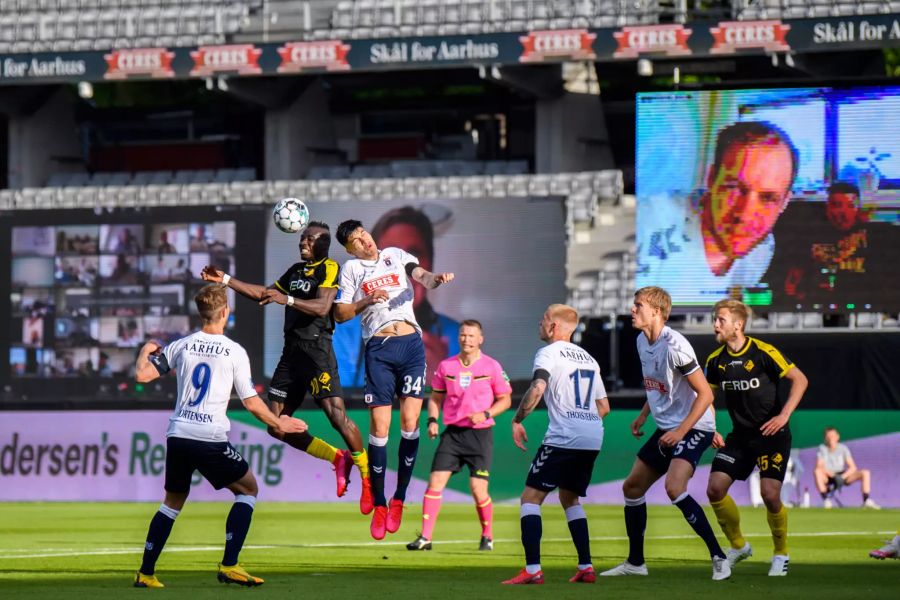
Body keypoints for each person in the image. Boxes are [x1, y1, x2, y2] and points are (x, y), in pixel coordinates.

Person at [132, 283, 307, 588]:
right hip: (209, 437)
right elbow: (252, 402)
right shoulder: (234, 352)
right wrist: (280, 424)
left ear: (201, 313)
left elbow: (142, 375)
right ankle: (230, 565)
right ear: (225, 312)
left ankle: (146, 572)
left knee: (172, 502)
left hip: (179, 434)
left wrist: (145, 351)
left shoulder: (182, 345)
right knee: (248, 490)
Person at [201, 221, 370, 512]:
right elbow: (264, 294)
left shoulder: (328, 268)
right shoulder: (294, 271)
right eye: (302, 239)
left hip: (317, 351)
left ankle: (367, 477)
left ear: (322, 244)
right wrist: (226, 280)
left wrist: (288, 299)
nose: (302, 243)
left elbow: (322, 308)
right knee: (276, 426)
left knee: (336, 417)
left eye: (308, 239)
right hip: (291, 355)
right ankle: (337, 458)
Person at [334, 219, 454, 540]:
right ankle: (380, 503)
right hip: (379, 348)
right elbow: (339, 313)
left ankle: (399, 497)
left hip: (411, 345)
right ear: (349, 249)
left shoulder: (394, 255)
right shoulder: (352, 270)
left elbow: (420, 275)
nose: (364, 241)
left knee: (411, 421)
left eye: (364, 235)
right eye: (356, 241)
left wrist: (434, 279)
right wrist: (364, 301)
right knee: (380, 427)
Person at [601, 286, 730, 581]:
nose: (632, 310)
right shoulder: (640, 341)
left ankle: (719, 556)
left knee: (674, 487)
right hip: (667, 427)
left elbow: (705, 396)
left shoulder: (675, 345)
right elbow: (658, 384)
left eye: (638, 305)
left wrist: (682, 431)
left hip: (694, 426)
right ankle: (635, 563)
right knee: (632, 488)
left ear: (657, 312)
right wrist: (644, 414)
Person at [501, 304, 609, 585]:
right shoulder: (589, 358)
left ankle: (533, 569)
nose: (540, 322)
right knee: (569, 497)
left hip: (564, 436)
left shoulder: (548, 353)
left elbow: (538, 388)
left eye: (544, 318)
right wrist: (583, 422)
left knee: (530, 499)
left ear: (554, 327)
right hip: (592, 436)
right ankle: (586, 566)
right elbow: (604, 406)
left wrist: (517, 419)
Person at [704, 299, 809, 577]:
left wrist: (784, 415)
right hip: (739, 437)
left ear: (738, 325)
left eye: (721, 320)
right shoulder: (715, 361)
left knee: (770, 495)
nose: (715, 324)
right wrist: (710, 426)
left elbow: (800, 380)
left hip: (771, 435)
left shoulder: (764, 352)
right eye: (715, 319)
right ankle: (739, 546)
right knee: (714, 488)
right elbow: (707, 397)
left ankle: (781, 553)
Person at [638, 121, 797, 303]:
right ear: (711, 179)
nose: (745, 215)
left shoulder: (762, 248)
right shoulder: (646, 225)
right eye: (734, 188)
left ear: (785, 202)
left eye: (768, 198)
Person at [406, 319, 512, 552]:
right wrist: (432, 420)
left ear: (480, 339)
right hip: (452, 435)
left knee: (478, 489)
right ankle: (425, 537)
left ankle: (488, 535)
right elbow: (435, 398)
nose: (467, 339)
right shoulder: (446, 366)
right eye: (463, 335)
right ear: (459, 338)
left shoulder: (492, 366)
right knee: (434, 484)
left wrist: (485, 413)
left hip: (480, 436)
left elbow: (506, 399)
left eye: (472, 336)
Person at [334, 206, 460, 387]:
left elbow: (465, 395)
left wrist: (439, 374)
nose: (397, 268)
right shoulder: (346, 333)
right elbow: (344, 395)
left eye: (415, 252)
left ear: (429, 259)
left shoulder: (456, 334)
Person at [814, 427, 881, 509]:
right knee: (817, 471)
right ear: (825, 438)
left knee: (865, 473)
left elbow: (853, 467)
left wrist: (842, 477)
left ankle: (866, 500)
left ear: (837, 437)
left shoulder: (843, 448)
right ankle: (826, 500)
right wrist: (833, 476)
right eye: (828, 436)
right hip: (828, 476)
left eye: (833, 436)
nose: (831, 438)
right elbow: (819, 466)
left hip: (843, 475)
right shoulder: (822, 448)